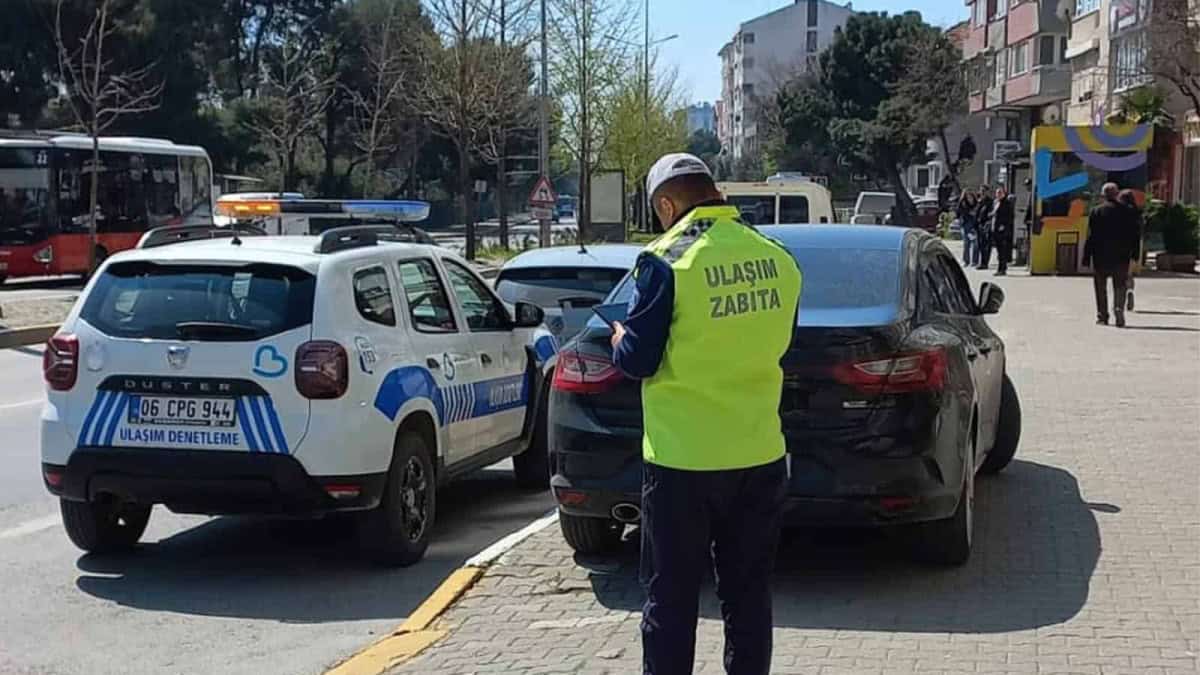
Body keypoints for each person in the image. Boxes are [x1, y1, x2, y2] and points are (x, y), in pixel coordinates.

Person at [610, 153, 802, 675]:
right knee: (748, 598)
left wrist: (621, 337)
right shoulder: (777, 256)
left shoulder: (665, 260)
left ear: (668, 204)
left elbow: (638, 360)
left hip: (682, 463)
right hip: (758, 454)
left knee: (670, 603)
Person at [1083, 183, 1140, 327]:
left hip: (1100, 256)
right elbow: (1134, 234)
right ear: (1116, 194)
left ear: (1103, 195)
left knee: (1100, 287)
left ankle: (1102, 316)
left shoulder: (1096, 211)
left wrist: (1086, 256)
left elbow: (1091, 236)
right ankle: (1119, 308)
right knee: (1120, 284)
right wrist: (1135, 254)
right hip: (1121, 256)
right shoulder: (1128, 212)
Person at [1118, 189, 1143, 312]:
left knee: (1119, 275)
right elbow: (1138, 235)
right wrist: (1137, 253)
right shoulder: (1137, 214)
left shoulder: (1118, 212)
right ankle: (1130, 291)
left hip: (1119, 248)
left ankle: (1121, 297)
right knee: (1129, 274)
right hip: (1132, 248)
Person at [990, 186, 1016, 276]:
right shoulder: (996, 202)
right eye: (997, 193)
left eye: (1000, 193)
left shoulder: (1006, 203)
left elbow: (1009, 217)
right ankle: (1000, 268)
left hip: (1002, 230)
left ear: (1004, 194)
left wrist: (1003, 226)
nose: (998, 194)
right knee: (998, 251)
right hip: (995, 229)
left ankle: (1002, 269)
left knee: (1002, 251)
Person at [956, 189, 979, 266]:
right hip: (965, 225)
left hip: (974, 225)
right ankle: (966, 261)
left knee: (975, 243)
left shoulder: (976, 203)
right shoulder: (962, 203)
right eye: (967, 195)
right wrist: (968, 213)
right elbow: (958, 213)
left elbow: (978, 213)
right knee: (966, 244)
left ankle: (975, 261)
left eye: (970, 195)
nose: (969, 196)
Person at [975, 186, 995, 270]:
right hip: (979, 225)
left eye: (984, 191)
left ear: (987, 192)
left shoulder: (990, 202)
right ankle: (981, 262)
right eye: (981, 191)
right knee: (980, 245)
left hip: (986, 225)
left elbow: (991, 214)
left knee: (986, 245)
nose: (982, 192)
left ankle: (984, 263)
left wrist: (988, 224)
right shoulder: (980, 201)